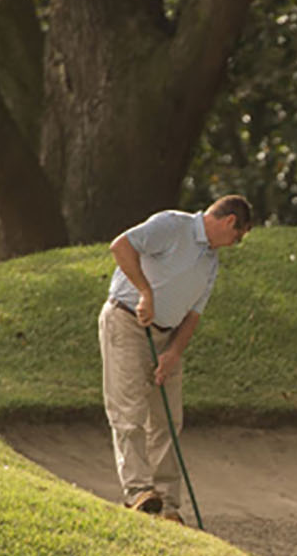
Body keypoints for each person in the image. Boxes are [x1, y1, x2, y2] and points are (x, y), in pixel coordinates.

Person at [99, 193, 253, 521]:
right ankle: (139, 492)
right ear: (228, 222)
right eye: (236, 237)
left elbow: (194, 314)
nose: (233, 243)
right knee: (129, 411)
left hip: (167, 337)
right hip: (127, 321)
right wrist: (145, 292)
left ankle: (167, 505)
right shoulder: (172, 225)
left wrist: (173, 353)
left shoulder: (210, 262)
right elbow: (121, 246)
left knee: (167, 421)